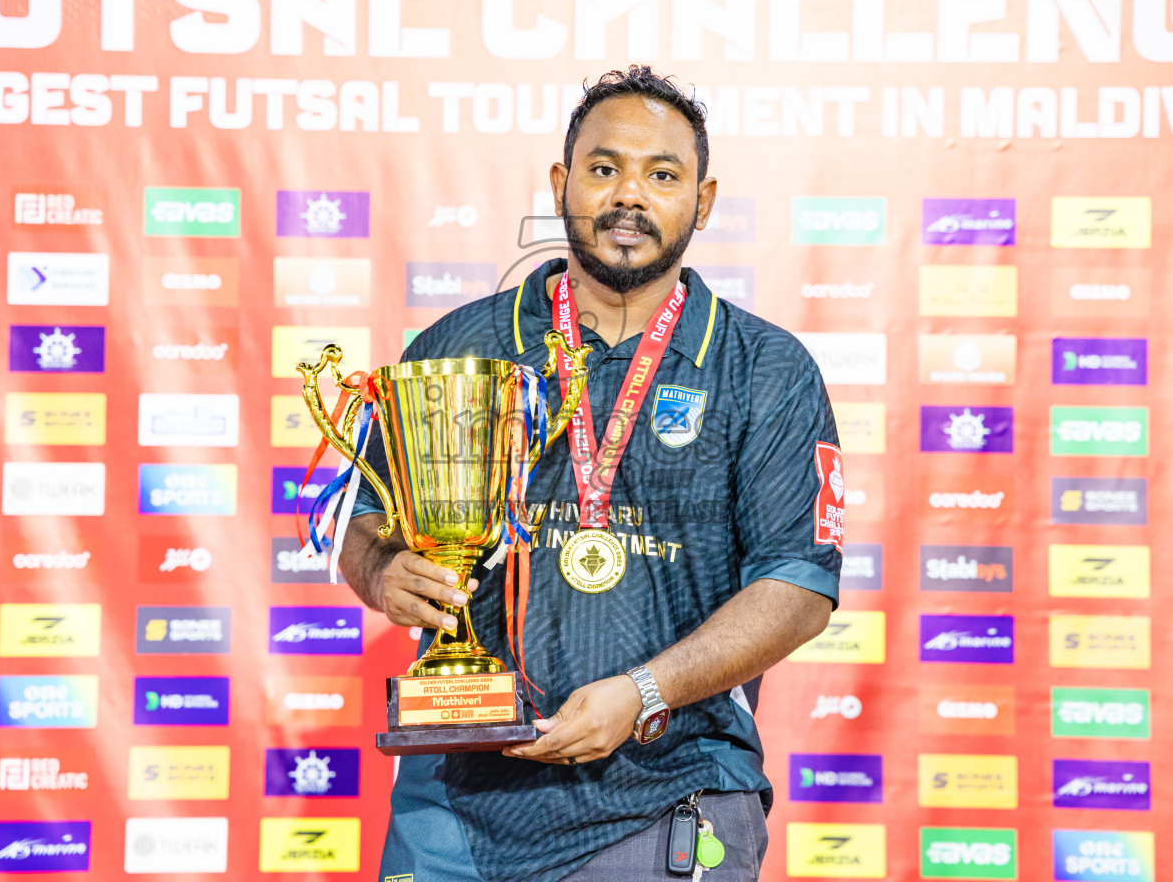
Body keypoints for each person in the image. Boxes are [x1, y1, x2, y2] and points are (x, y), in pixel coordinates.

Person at [340, 66, 844, 882]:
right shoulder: (457, 348)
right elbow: (367, 517)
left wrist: (645, 691)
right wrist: (380, 568)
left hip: (668, 792)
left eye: (662, 174)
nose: (629, 196)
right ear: (560, 183)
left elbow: (797, 587)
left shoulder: (766, 370)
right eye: (604, 169)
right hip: (455, 806)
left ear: (703, 202)